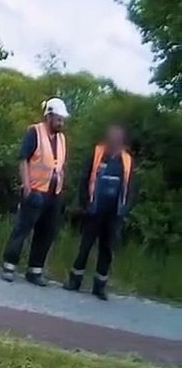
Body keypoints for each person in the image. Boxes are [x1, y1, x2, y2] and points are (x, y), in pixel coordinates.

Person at [0, 97, 69, 285]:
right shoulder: (35, 132)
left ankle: (35, 271)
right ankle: (9, 266)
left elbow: (60, 164)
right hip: (36, 191)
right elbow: (23, 159)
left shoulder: (61, 138)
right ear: (49, 116)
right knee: (22, 229)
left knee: (46, 233)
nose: (61, 123)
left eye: (62, 119)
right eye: (58, 119)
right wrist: (27, 188)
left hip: (54, 193)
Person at [64, 123, 134, 300]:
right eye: (112, 137)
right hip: (94, 210)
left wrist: (125, 209)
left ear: (121, 140)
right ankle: (75, 281)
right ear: (107, 138)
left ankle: (100, 286)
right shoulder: (97, 154)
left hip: (114, 213)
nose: (114, 140)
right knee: (85, 246)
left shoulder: (126, 160)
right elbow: (84, 179)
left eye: (117, 138)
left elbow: (131, 187)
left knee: (107, 250)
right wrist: (84, 203)